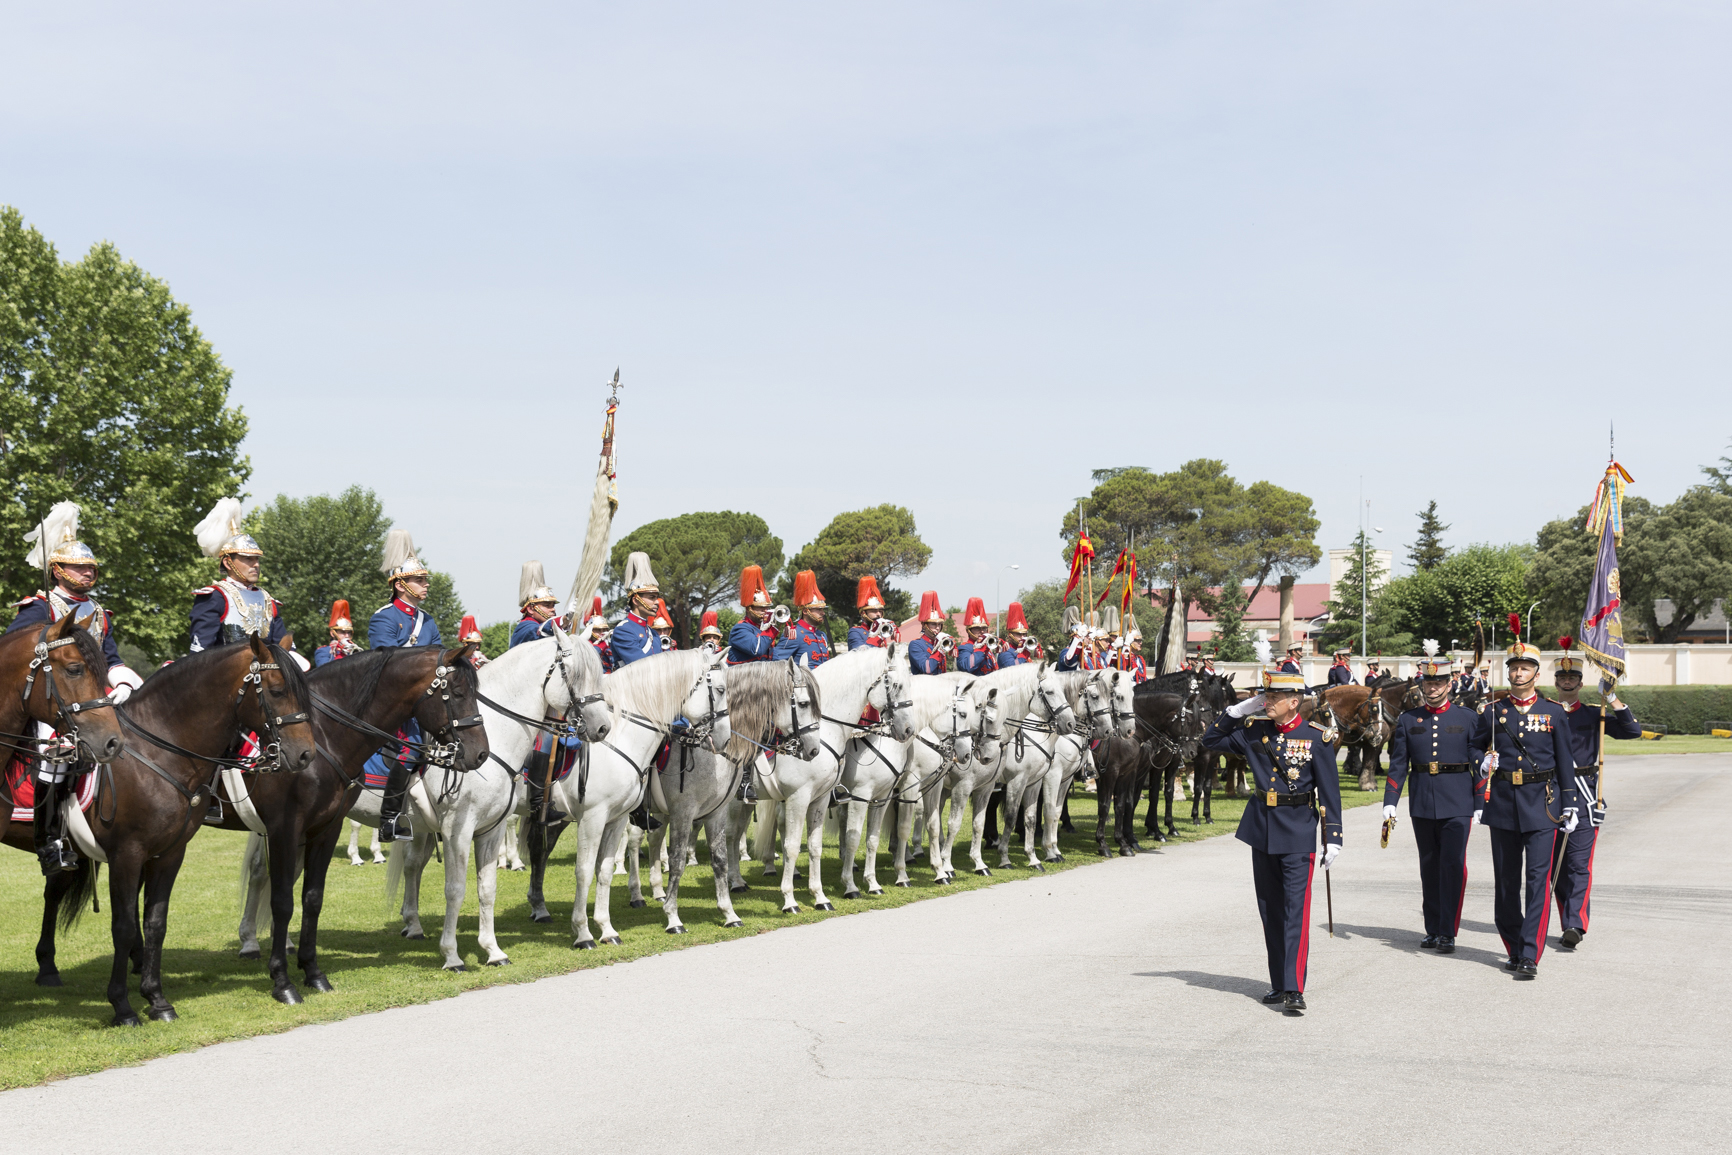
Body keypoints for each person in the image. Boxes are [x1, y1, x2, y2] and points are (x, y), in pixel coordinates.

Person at [8, 503, 144, 875]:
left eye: (92, 568)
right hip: (49, 700)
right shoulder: (39, 607)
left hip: (90, 699)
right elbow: (15, 655)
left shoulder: (98, 612)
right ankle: (49, 839)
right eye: (80, 567)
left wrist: (123, 679)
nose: (89, 572)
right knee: (57, 753)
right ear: (57, 570)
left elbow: (110, 658)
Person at [1202, 661, 1343, 1014]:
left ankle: (1295, 988)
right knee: (1271, 911)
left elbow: (1330, 791)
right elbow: (1211, 739)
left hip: (1297, 830)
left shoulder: (1316, 736)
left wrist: (1334, 836)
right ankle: (1279, 983)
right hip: (1262, 829)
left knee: (1295, 910)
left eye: (1274, 695)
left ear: (1294, 700)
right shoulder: (1254, 731)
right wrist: (1236, 711)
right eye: (1265, 694)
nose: (1267, 700)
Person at [1470, 620, 1577, 979]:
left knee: (1537, 881)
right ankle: (1514, 946)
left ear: (1535, 671)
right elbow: (1472, 746)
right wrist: (1481, 763)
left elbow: (1565, 761)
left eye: (1525, 667)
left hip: (1543, 806)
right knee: (1505, 883)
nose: (1518, 673)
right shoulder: (1493, 713)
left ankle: (1530, 953)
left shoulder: (1554, 712)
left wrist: (1571, 803)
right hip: (1502, 804)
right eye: (1514, 667)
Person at [1382, 653, 1481, 954]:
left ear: (1450, 684)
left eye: (1439, 682)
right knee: (1429, 866)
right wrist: (1390, 802)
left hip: (1458, 800)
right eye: (1428, 682)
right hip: (1423, 801)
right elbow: (1399, 764)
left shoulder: (1467, 718)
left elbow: (1478, 763)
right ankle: (1432, 928)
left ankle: (1448, 931)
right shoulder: (1408, 719)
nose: (1433, 687)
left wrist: (1479, 801)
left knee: (1452, 865)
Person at [1549, 635, 1640, 951]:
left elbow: (1632, 731)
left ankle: (1575, 924)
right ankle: (1566, 919)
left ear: (1581, 682)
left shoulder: (1593, 713)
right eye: (1562, 677)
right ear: (1556, 681)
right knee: (1554, 869)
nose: (1567, 681)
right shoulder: (1545, 713)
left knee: (1578, 863)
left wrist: (1612, 698)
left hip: (1586, 796)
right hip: (1551, 795)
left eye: (1573, 677)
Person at [368, 530, 444, 843]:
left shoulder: (427, 620)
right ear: (401, 585)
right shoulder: (384, 618)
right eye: (419, 580)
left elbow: (440, 656)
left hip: (427, 700)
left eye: (425, 579)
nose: (426, 584)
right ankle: (390, 819)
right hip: (396, 703)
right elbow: (387, 666)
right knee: (411, 748)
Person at [189, 498, 289, 652]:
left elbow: (284, 648)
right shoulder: (215, 597)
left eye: (256, 559)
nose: (255, 564)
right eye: (248, 559)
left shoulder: (268, 600)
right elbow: (201, 652)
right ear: (228, 563)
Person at [610, 552, 666, 668]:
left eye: (656, 597)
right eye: (652, 598)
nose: (657, 602)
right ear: (636, 600)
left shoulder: (653, 633)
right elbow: (642, 668)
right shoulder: (623, 631)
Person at [774, 571, 831, 666]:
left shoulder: (821, 635)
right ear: (805, 611)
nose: (823, 613)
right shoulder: (793, 634)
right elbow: (777, 665)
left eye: (822, 609)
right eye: (818, 609)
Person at [728, 564, 779, 665]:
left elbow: (774, 660)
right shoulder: (739, 630)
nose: (765, 610)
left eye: (767, 607)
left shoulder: (763, 630)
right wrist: (770, 630)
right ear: (749, 608)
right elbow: (757, 649)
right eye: (760, 607)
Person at [511, 561, 563, 648]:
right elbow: (539, 631)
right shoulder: (525, 626)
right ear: (531, 609)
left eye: (553, 605)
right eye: (547, 605)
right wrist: (562, 621)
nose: (553, 609)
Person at [908, 590, 951, 674]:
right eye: (933, 624)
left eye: (939, 624)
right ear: (924, 625)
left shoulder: (937, 643)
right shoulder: (916, 644)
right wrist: (940, 648)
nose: (937, 627)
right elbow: (927, 668)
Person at [847, 576, 892, 651]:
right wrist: (877, 637)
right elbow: (861, 653)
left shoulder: (880, 632)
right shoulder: (855, 631)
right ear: (863, 613)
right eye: (874, 611)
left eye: (880, 611)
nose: (878, 614)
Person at [955, 597, 996, 675]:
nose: (982, 631)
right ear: (969, 631)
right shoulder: (964, 648)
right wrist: (981, 649)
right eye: (977, 628)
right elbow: (967, 667)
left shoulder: (987, 648)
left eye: (984, 628)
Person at [312, 601, 360, 667]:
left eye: (349, 632)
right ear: (332, 633)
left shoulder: (353, 651)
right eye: (343, 632)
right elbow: (324, 672)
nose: (347, 636)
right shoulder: (323, 651)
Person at [996, 601, 1039, 667]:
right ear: (1010, 636)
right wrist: (1022, 654)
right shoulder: (1006, 652)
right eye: (1019, 634)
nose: (1022, 637)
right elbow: (1014, 670)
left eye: (1024, 634)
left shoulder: (1024, 650)